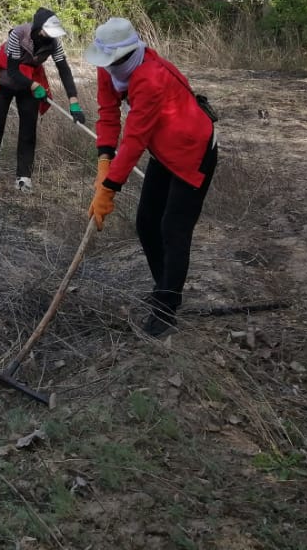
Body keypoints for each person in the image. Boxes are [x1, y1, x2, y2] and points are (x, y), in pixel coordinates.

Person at [83, 17, 218, 337]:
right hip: (163, 151)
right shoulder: (109, 68)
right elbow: (107, 113)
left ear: (127, 53)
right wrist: (104, 160)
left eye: (113, 62)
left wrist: (110, 188)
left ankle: (166, 308)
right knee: (146, 222)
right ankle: (165, 289)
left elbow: (134, 139)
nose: (108, 68)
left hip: (192, 152)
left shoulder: (151, 77)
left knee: (173, 227)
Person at [0, 6, 87, 193]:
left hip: (29, 84)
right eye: (46, 32)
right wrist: (35, 86)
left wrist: (73, 101)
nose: (49, 36)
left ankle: (24, 178)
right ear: (37, 27)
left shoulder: (54, 43)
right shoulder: (18, 35)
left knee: (28, 129)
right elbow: (12, 70)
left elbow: (64, 69)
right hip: (6, 82)